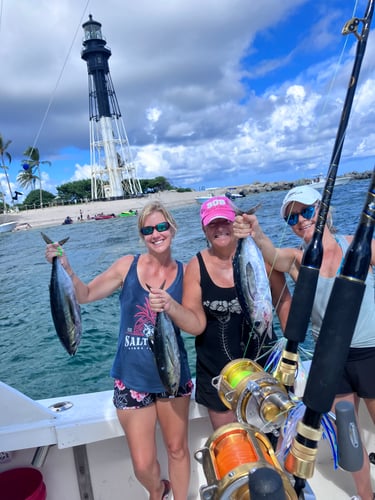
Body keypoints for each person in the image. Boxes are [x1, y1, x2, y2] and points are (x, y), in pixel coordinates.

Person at [233, 185, 375, 500]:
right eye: (292, 217)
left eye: (307, 211)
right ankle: (367, 496)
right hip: (331, 362)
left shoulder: (358, 246)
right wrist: (254, 232)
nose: (301, 220)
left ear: (323, 209)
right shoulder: (299, 261)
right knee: (349, 438)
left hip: (371, 353)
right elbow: (271, 256)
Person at [45, 201, 193, 500]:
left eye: (161, 227)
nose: (156, 234)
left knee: (177, 449)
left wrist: (171, 306)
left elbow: (194, 323)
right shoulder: (127, 265)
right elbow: (84, 295)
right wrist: (66, 268)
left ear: (172, 228)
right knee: (142, 464)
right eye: (148, 229)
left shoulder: (187, 272)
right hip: (131, 376)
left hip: (172, 374)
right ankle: (156, 490)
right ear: (142, 235)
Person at [149, 196, 292, 431]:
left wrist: (292, 350)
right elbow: (196, 325)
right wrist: (170, 306)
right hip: (219, 376)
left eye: (225, 221)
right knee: (235, 448)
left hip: (267, 368)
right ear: (204, 230)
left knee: (274, 442)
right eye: (212, 224)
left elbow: (284, 301)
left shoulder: (262, 258)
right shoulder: (196, 266)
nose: (220, 229)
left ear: (235, 222)